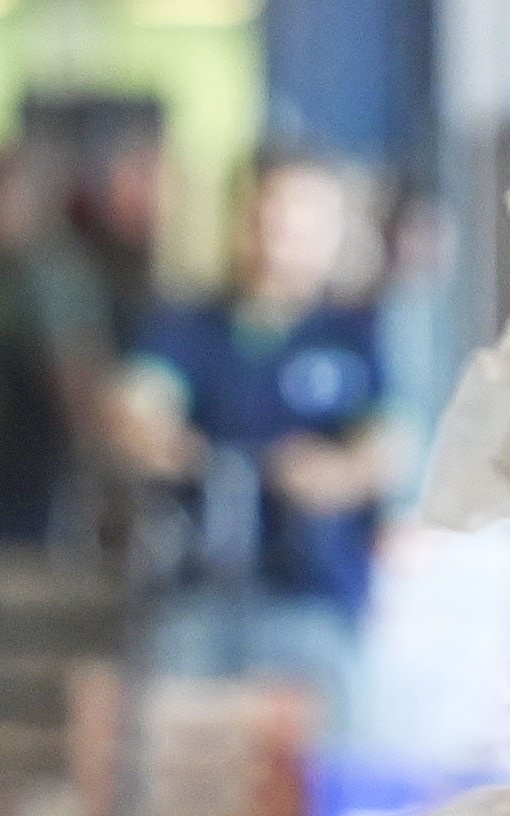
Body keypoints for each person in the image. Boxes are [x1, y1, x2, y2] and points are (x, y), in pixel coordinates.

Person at [109, 149, 400, 696]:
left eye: (298, 221)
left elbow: (384, 443)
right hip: (193, 594)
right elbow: (140, 398)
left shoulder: (352, 335)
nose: (279, 236)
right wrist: (160, 441)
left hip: (311, 598)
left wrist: (334, 475)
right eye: (266, 217)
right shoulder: (188, 326)